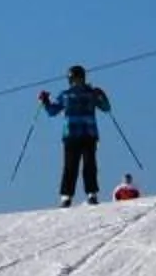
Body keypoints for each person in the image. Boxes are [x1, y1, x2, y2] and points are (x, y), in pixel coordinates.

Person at [41, 66, 113, 205]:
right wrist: (46, 101)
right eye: (73, 80)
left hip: (88, 135)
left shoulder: (91, 93)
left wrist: (102, 95)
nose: (76, 83)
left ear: (83, 79)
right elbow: (52, 111)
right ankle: (66, 196)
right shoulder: (66, 95)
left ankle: (91, 193)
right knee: (70, 166)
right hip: (72, 136)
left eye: (78, 79)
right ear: (70, 80)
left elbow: (106, 108)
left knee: (89, 164)